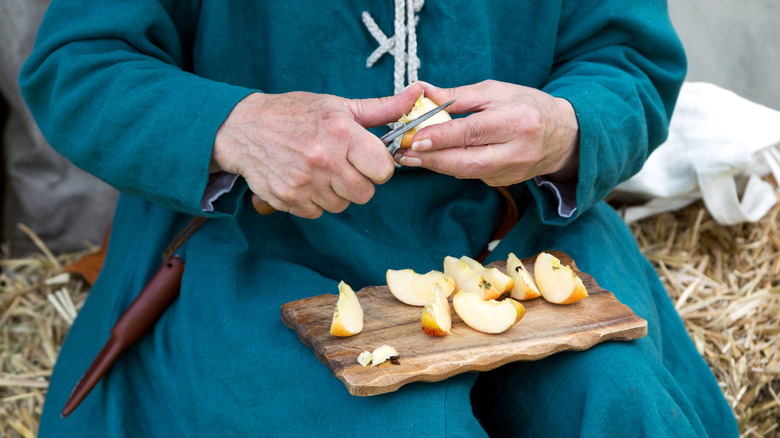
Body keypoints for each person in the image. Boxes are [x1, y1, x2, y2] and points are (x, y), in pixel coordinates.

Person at [20, 0, 738, 436]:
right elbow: (78, 65)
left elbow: (628, 58)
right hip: (259, 251)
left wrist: (566, 126)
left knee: (619, 411)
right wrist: (237, 127)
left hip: (515, 242)